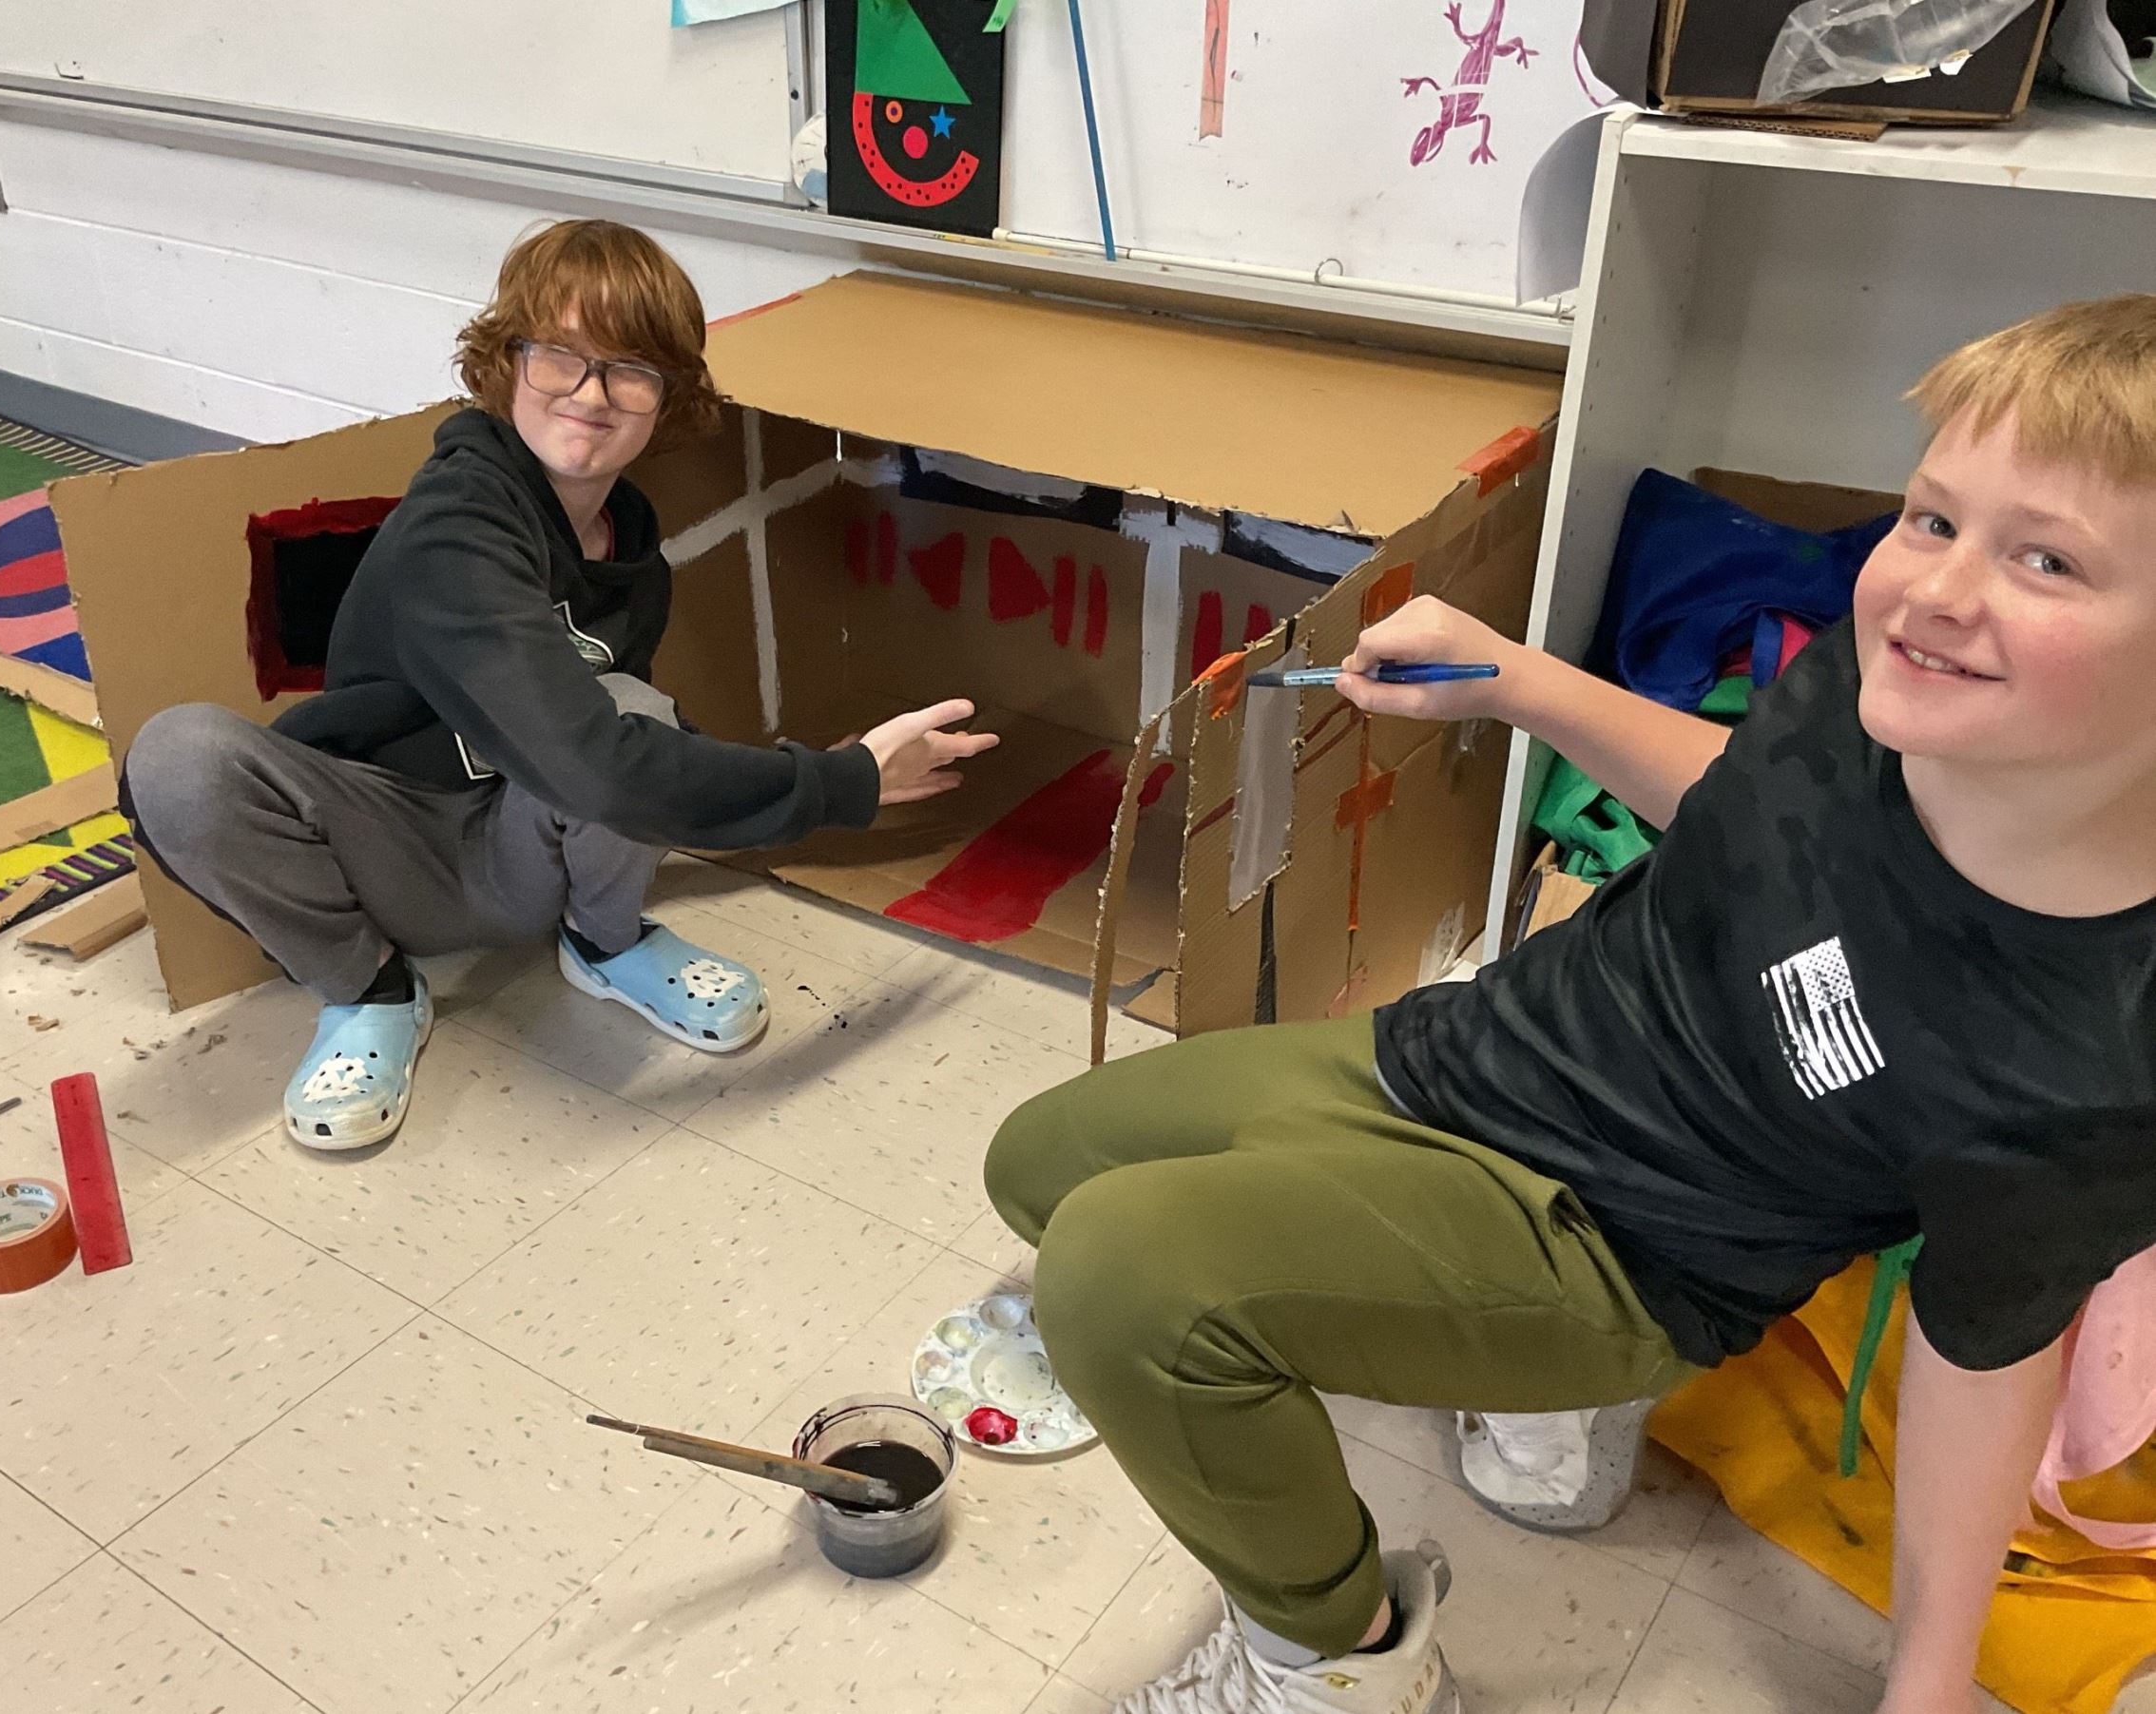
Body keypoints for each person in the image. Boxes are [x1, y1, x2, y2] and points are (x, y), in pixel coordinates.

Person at [985, 293, 2156, 1714]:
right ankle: (1345, 1293)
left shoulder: (2094, 1063)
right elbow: (1751, 806)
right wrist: (1514, 680)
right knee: (1041, 1166)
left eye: (2046, 557)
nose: (1937, 589)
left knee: (1120, 1281)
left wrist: (1925, 1683)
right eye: (1932, 517)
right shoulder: (1884, 674)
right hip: (1490, 1049)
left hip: (1629, 1250)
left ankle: (1343, 1665)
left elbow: (1986, 1362)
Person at [123, 220, 995, 1151]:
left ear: (667, 398)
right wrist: (844, 780)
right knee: (179, 756)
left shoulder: (632, 546)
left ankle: (604, 941)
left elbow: (613, 767)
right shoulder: (456, 526)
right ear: (506, 363)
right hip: (388, 842)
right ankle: (369, 991)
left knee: (632, 709)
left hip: (524, 848)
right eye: (559, 357)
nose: (590, 394)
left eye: (630, 370)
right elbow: (601, 769)